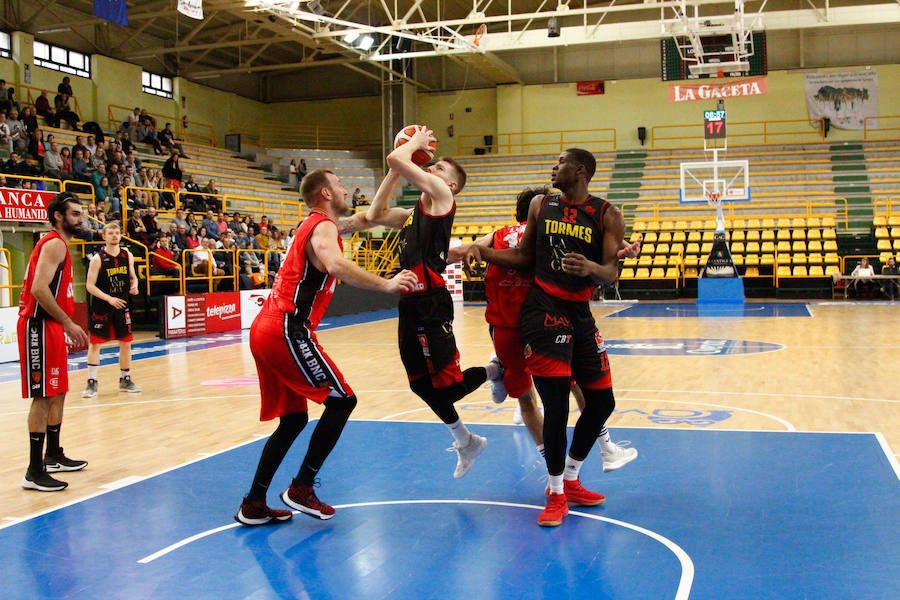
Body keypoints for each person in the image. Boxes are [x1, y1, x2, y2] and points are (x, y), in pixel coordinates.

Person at [463, 148, 641, 527]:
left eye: (559, 164)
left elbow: (610, 272)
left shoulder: (607, 213)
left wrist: (592, 266)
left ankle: (572, 478)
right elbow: (526, 256)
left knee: (602, 401)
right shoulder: (541, 206)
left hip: (580, 313)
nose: (553, 169)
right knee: (557, 406)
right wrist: (485, 251)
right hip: (542, 313)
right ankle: (556, 492)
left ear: (579, 171)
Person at [234, 168, 418, 526]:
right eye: (339, 184)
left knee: (293, 421)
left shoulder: (322, 223)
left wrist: (396, 172)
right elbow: (335, 264)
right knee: (342, 401)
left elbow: (369, 217)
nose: (345, 187)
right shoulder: (324, 227)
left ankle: (254, 502)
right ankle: (301, 486)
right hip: (287, 328)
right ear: (325, 194)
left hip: (268, 328)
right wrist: (387, 285)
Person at [366, 125, 501, 479]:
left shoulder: (442, 196)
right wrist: (395, 171)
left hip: (430, 303)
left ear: (451, 184)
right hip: (409, 301)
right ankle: (466, 440)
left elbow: (397, 155)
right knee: (418, 383)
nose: (434, 169)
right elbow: (375, 214)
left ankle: (494, 370)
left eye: (441, 167)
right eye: (433, 165)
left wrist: (411, 147)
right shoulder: (414, 211)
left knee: (448, 385)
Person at [18, 192, 90, 492]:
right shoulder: (53, 244)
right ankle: (34, 471)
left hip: (51, 326)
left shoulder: (61, 245)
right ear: (59, 216)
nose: (80, 218)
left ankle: (53, 455)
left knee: (58, 391)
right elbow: (38, 289)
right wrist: (68, 322)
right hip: (38, 325)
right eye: (74, 214)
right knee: (44, 396)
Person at [82, 221, 141, 398]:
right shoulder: (97, 259)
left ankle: (125, 379)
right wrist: (109, 298)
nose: (115, 235)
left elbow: (133, 277)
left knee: (126, 343)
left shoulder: (127, 255)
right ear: (104, 236)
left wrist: (135, 285)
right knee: (94, 344)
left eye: (117, 233)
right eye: (111, 233)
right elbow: (89, 286)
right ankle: (91, 382)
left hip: (122, 305)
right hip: (103, 305)